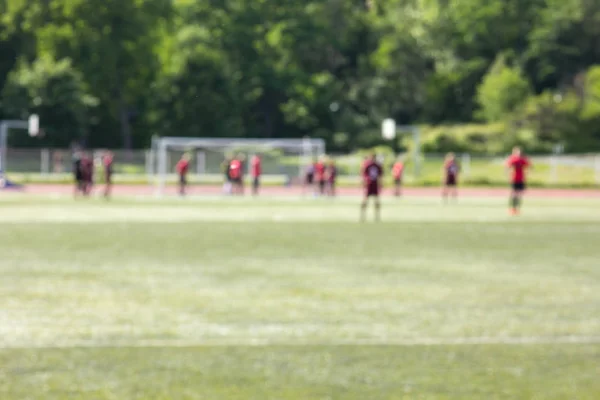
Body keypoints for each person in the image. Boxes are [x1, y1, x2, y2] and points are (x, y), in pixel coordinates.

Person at [506, 146, 532, 215]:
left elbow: (529, 165)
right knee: (514, 194)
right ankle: (512, 208)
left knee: (520, 194)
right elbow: (508, 166)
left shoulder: (522, 159)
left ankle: (517, 209)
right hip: (514, 178)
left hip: (521, 179)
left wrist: (528, 173)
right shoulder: (513, 159)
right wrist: (509, 174)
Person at [360, 153, 383, 222]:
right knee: (365, 200)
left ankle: (377, 216)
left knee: (376, 201)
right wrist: (364, 183)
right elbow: (363, 174)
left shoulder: (377, 165)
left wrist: (381, 184)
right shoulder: (367, 165)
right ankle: (363, 215)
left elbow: (380, 175)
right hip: (369, 184)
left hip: (375, 184)